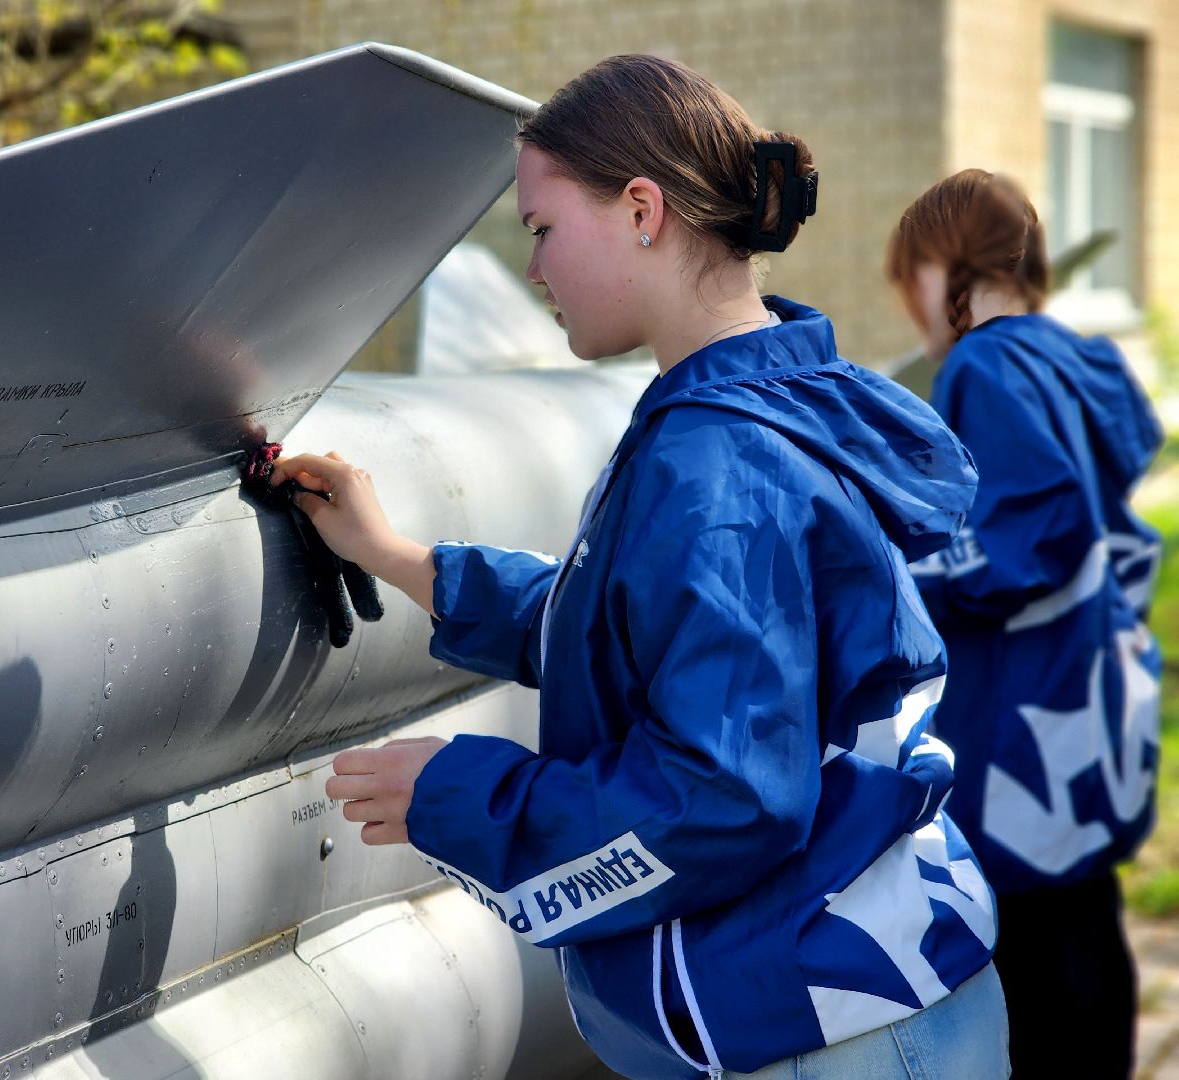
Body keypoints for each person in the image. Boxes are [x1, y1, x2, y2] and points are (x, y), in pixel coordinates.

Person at [275, 56, 1008, 1079]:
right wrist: (399, 559)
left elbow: (722, 797)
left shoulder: (717, 461)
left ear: (640, 210)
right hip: (873, 1000)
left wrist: (458, 795)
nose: (534, 269)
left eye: (540, 228)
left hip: (831, 1038)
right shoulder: (772, 400)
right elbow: (633, 625)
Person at [887, 168, 1163, 1079]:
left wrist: (894, 576)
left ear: (943, 267)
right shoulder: (1068, 357)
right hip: (1090, 693)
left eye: (911, 282)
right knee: (1083, 918)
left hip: (1022, 721)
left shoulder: (986, 363)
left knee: (1033, 955)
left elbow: (1030, 531)